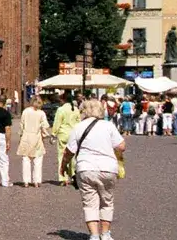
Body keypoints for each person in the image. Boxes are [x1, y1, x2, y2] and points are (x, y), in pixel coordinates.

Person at [60, 98, 125, 240]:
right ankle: (106, 234)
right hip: (108, 168)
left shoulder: (78, 127)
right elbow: (121, 146)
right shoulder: (108, 126)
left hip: (86, 168)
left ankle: (94, 235)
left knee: (90, 203)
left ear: (83, 111)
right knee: (107, 202)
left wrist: (63, 167)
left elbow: (69, 152)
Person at [17, 96, 52, 187]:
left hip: (26, 136)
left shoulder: (25, 111)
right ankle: (36, 180)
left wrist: (20, 135)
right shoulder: (41, 113)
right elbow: (45, 125)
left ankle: (26, 181)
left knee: (26, 159)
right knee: (38, 159)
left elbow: (21, 124)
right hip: (36, 137)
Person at [51, 92, 79, 187]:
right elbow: (79, 122)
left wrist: (53, 134)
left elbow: (57, 123)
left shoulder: (61, 109)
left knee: (62, 156)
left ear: (63, 99)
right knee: (72, 157)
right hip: (73, 135)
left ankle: (63, 178)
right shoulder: (75, 109)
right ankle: (73, 176)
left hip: (63, 134)